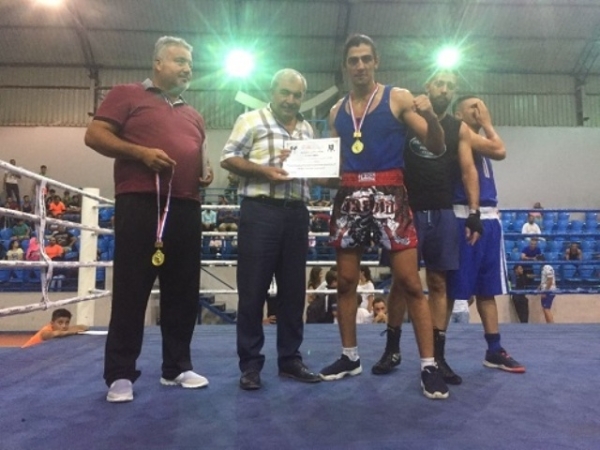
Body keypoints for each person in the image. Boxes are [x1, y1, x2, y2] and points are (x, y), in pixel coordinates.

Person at [317, 34, 449, 399]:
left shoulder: (398, 98)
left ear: (376, 61)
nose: (359, 65)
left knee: (409, 282)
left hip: (391, 193)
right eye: (353, 60)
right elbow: (333, 167)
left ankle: (428, 365)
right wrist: (300, 170)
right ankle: (349, 357)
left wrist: (430, 115)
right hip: (349, 194)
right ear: (346, 65)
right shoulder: (336, 111)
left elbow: (437, 145)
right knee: (345, 281)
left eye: (365, 58)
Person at [84, 36, 213, 403]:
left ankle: (177, 366)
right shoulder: (127, 95)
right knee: (131, 289)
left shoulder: (194, 115)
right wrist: (140, 153)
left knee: (183, 291)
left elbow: (198, 154)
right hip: (139, 202)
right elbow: (94, 135)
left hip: (186, 206)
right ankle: (120, 374)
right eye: (180, 61)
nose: (187, 68)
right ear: (158, 63)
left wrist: (205, 172)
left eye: (190, 63)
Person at [220, 68, 321, 390]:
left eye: (297, 95)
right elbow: (228, 158)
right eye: (285, 93)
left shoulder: (307, 129)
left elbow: (314, 169)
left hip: (297, 213)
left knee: (294, 292)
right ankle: (250, 365)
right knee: (252, 291)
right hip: (260, 210)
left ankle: (290, 359)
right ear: (272, 91)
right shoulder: (250, 120)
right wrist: (264, 171)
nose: (290, 99)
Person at [398, 69, 481, 385]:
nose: (445, 89)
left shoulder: (458, 128)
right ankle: (391, 348)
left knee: (438, 282)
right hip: (406, 210)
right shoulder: (406, 116)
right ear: (428, 86)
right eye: (440, 84)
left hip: (443, 210)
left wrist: (474, 212)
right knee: (401, 282)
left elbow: (468, 169)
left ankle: (438, 356)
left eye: (450, 86)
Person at [448, 95, 525, 373]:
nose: (480, 110)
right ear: (458, 115)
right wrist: (489, 124)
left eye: (482, 106)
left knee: (487, 290)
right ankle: (435, 354)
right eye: (473, 106)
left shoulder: (480, 140)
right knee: (449, 291)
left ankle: (494, 349)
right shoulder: (461, 133)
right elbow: (501, 150)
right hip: (465, 216)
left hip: (490, 218)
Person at [21, 309, 88, 348]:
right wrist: (70, 331)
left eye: (67, 322)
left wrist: (73, 329)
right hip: (26, 352)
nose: (64, 326)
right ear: (52, 323)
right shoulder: (46, 330)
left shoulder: (63, 329)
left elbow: (84, 327)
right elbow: (51, 334)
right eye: (60, 322)